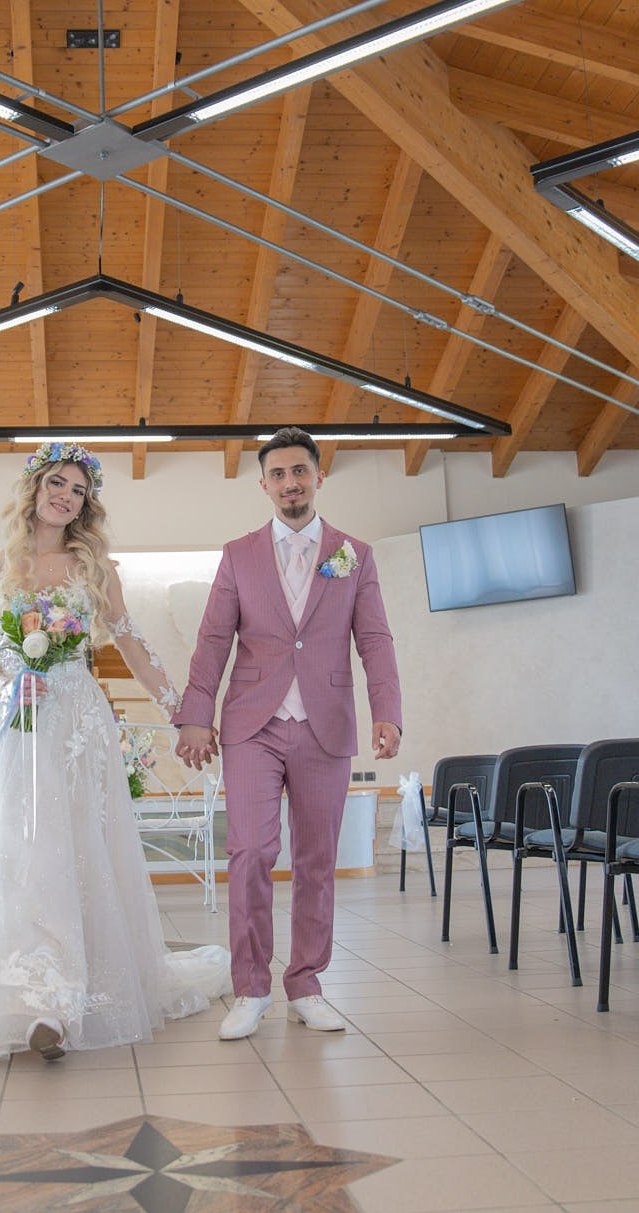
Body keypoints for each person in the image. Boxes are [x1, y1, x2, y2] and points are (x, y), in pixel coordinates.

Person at [0, 442, 230, 1060]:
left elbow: (134, 646)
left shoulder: (96, 570)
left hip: (76, 728)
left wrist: (184, 712)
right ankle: (21, 995)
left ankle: (65, 1000)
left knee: (78, 848)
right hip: (13, 727)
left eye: (78, 490)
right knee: (16, 851)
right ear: (34, 489)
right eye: (57, 484)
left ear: (85, 505)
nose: (66, 496)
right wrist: (3, 686)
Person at [175, 427, 402, 1041]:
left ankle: (306, 984)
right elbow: (213, 639)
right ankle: (251, 988)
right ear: (264, 484)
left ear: (318, 477)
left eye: (300, 471)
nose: (290, 483)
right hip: (252, 725)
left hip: (327, 724)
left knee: (317, 859)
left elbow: (375, 639)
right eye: (278, 474)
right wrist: (195, 714)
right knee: (251, 851)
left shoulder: (354, 554)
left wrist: (387, 710)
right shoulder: (238, 554)